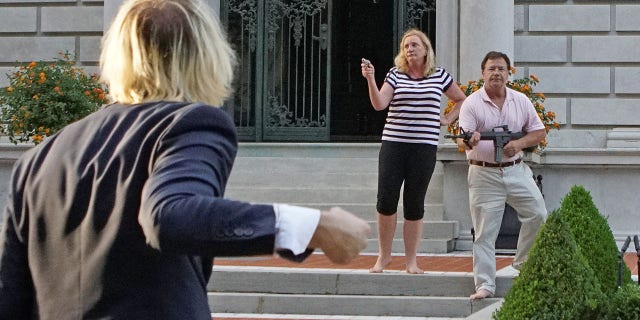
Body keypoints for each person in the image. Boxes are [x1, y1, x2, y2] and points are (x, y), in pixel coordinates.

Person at [0, 0, 371, 318]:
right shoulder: (190, 123)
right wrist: (312, 226)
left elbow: (12, 297)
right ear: (207, 55)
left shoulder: (39, 158)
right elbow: (169, 216)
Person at [361, 28, 466, 274]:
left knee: (414, 203)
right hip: (394, 145)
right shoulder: (395, 74)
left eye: (414, 45)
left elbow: (462, 99)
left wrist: (448, 118)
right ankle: (384, 257)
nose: (409, 49)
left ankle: (411, 261)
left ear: (425, 49)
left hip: (424, 147)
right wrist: (370, 79)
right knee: (386, 200)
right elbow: (379, 104)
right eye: (406, 46)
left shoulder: (440, 75)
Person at [456, 51, 547, 300]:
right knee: (485, 232)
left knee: (538, 213)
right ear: (483, 73)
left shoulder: (521, 100)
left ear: (509, 73)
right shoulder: (472, 104)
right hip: (483, 174)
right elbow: (462, 140)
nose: (496, 73)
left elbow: (538, 131)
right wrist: (470, 139)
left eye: (501, 69)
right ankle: (485, 285)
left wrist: (518, 144)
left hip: (516, 169)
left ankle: (524, 263)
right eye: (491, 69)